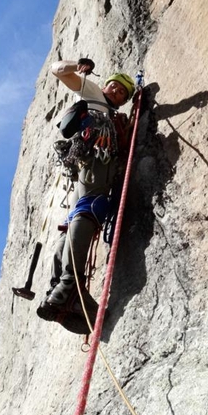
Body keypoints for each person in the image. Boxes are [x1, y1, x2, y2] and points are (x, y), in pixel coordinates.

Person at [36, 58, 135, 334]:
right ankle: (71, 288)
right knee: (91, 207)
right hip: (95, 163)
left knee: (73, 221)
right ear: (105, 85)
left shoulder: (111, 114)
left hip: (86, 164)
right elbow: (57, 71)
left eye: (122, 93)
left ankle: (58, 291)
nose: (116, 92)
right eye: (115, 86)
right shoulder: (93, 94)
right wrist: (76, 65)